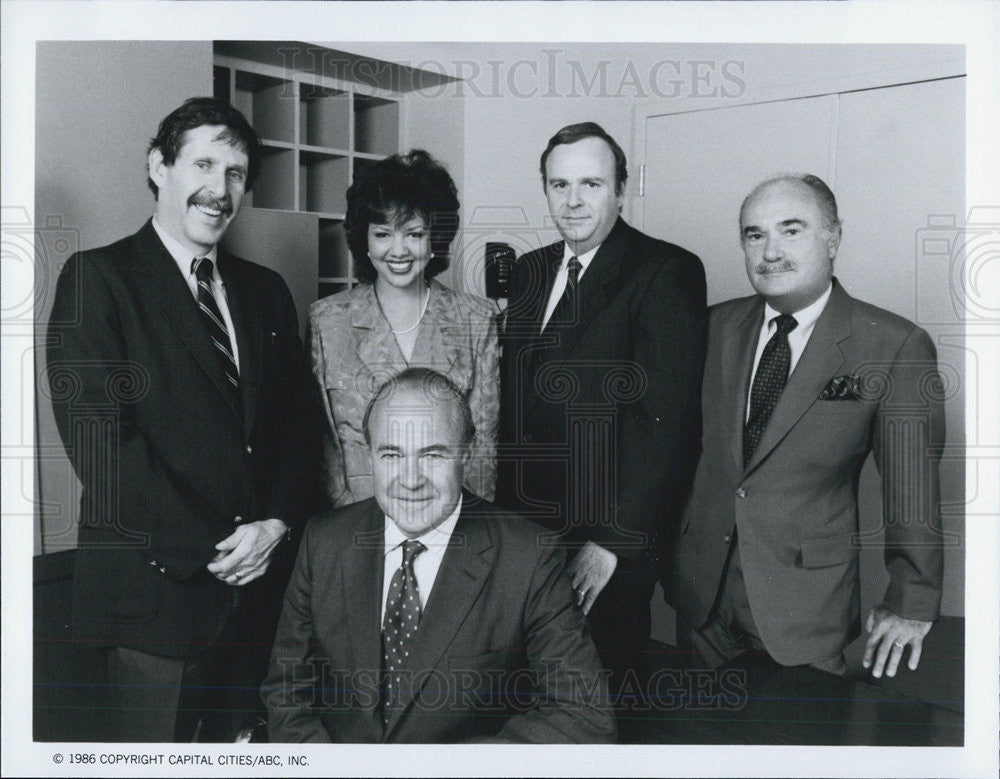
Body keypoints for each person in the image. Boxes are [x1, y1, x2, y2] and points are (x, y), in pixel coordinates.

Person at [45, 97, 317, 741]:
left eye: (235, 173)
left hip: (258, 603)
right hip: (153, 607)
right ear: (158, 167)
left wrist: (276, 523)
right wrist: (216, 549)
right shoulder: (97, 280)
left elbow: (300, 431)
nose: (219, 190)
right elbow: (103, 450)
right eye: (203, 164)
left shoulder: (265, 291)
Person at [664, 174, 945, 677]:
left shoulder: (891, 344)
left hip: (807, 603)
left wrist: (912, 598)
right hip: (702, 596)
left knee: (801, 742)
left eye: (790, 231)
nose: (769, 252)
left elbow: (913, 489)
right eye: (755, 235)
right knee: (702, 744)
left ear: (833, 237)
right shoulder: (710, 327)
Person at [262, 368, 615, 743]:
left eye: (432, 455)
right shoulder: (323, 541)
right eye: (392, 454)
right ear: (370, 455)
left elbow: (583, 716)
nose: (411, 479)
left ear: (467, 451)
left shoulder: (530, 557)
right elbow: (286, 693)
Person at [496, 122, 707, 702]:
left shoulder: (666, 271)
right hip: (524, 527)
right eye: (559, 184)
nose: (573, 200)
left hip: (603, 539)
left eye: (591, 183)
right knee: (527, 692)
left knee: (603, 698)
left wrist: (613, 541)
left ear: (621, 189)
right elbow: (516, 402)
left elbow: (669, 423)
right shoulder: (531, 271)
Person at [308, 149, 499, 508]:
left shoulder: (475, 320)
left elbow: (482, 451)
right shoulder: (327, 321)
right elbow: (327, 451)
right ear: (364, 240)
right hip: (356, 524)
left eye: (414, 234)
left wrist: (471, 538)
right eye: (383, 234)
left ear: (435, 239)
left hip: (448, 525)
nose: (398, 250)